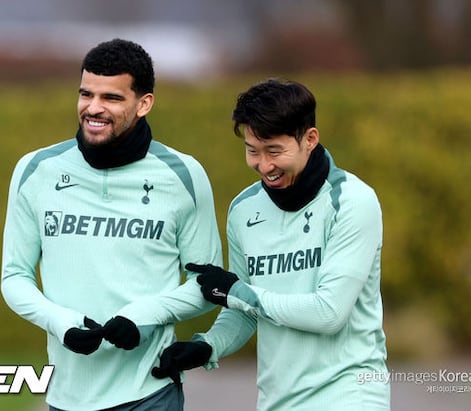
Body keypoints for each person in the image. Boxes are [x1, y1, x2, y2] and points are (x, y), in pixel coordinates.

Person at [1, 38, 222, 410]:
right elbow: (14, 277)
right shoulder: (35, 171)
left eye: (112, 98)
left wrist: (142, 316)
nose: (93, 108)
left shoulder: (184, 175)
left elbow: (208, 284)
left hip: (150, 393)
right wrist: (60, 321)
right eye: (86, 94)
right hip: (66, 397)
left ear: (143, 103)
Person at [152, 79, 390, 410]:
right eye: (252, 151)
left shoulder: (352, 201)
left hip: (349, 396)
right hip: (276, 400)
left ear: (310, 139)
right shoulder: (243, 209)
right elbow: (246, 311)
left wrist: (237, 293)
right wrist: (208, 346)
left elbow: (329, 313)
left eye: (274, 151)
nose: (263, 166)